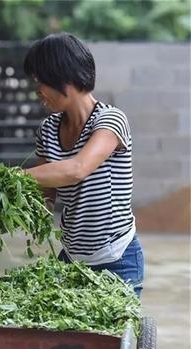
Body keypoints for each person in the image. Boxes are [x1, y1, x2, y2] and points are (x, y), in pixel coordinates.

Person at [23, 33, 144, 297]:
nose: (38, 92)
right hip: (72, 260)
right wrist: (18, 208)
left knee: (111, 336)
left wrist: (16, 176)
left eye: (40, 81)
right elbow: (47, 191)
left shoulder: (111, 120)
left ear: (63, 77)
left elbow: (77, 169)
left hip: (117, 259)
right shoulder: (48, 130)